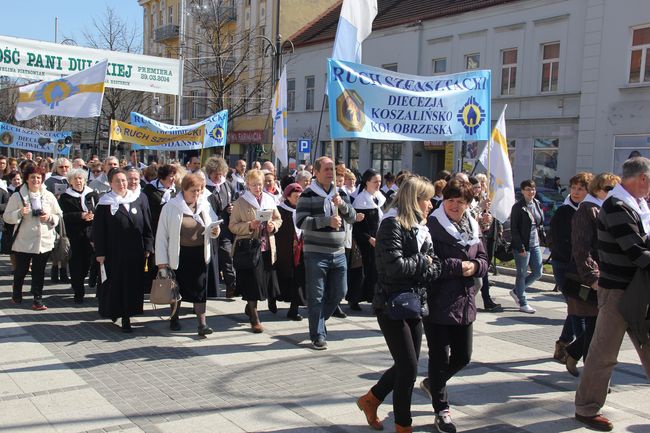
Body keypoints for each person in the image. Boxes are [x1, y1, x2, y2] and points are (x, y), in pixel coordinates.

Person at [357, 176, 441, 433]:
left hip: (415, 303)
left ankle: (370, 399)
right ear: (414, 200)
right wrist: (421, 262)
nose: (430, 204)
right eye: (426, 199)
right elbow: (393, 267)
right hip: (391, 304)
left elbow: (435, 266)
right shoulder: (391, 224)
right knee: (408, 368)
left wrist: (423, 265)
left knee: (408, 364)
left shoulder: (422, 228)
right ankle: (403, 425)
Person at [574, 157, 650, 432]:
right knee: (603, 353)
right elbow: (636, 251)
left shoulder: (639, 205)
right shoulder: (617, 206)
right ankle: (585, 408)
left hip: (641, 290)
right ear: (641, 178)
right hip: (618, 291)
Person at [422, 179, 488, 433]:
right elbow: (430, 262)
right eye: (450, 200)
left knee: (463, 356)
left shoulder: (471, 225)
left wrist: (476, 267)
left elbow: (482, 256)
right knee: (439, 358)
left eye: (461, 201)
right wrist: (459, 266)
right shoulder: (432, 225)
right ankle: (442, 410)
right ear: (443, 200)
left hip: (465, 299)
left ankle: (433, 383)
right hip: (438, 299)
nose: (455, 205)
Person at [296, 156, 357, 349]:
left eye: (332, 169)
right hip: (316, 253)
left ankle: (319, 321)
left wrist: (343, 206)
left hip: (338, 252)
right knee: (316, 296)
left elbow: (353, 217)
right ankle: (317, 335)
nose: (331, 173)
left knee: (341, 291)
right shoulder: (307, 194)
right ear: (316, 172)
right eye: (327, 169)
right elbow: (300, 221)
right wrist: (326, 221)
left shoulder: (339, 194)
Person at [563, 173, 620, 377]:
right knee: (598, 326)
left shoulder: (604, 209)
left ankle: (574, 352)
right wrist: (593, 277)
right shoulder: (587, 210)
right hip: (591, 279)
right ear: (597, 189)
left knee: (600, 327)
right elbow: (581, 249)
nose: (612, 194)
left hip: (607, 276)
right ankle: (593, 376)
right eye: (608, 189)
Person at [156, 173, 221, 336]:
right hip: (178, 255)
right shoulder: (171, 207)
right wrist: (162, 263)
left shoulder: (204, 205)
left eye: (199, 190)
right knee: (176, 289)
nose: (196, 194)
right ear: (183, 189)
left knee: (200, 290)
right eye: (193, 190)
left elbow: (213, 226)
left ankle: (202, 324)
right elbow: (162, 236)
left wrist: (215, 230)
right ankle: (174, 319)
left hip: (199, 254)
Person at [93, 168, 154, 332]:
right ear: (111, 183)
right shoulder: (105, 203)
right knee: (116, 284)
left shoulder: (138, 199)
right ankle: (117, 312)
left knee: (132, 284)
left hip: (135, 251)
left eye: (124, 180)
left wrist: (148, 246)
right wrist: (100, 253)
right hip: (114, 252)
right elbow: (98, 231)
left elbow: (147, 225)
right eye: (118, 181)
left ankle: (128, 314)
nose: (122, 184)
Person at [229, 169, 282, 333]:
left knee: (263, 282)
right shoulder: (240, 202)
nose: (258, 188)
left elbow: (278, 218)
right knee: (253, 283)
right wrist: (249, 226)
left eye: (260, 184)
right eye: (254, 185)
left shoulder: (269, 199)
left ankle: (251, 308)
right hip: (249, 249)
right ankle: (254, 318)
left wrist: (274, 225)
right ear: (248, 185)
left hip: (266, 247)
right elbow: (232, 226)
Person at [3, 164, 62, 310]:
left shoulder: (49, 196)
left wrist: (49, 218)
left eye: (38, 177)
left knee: (39, 272)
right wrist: (19, 213)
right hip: (24, 242)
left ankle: (37, 299)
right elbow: (6, 217)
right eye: (32, 177)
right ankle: (17, 292)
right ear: (27, 180)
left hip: (44, 242)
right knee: (21, 271)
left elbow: (59, 215)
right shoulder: (17, 196)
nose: (36, 180)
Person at [550, 172, 592, 363]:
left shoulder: (590, 209)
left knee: (575, 305)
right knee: (576, 307)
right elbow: (559, 241)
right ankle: (583, 351)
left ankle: (564, 344)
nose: (575, 192)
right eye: (573, 188)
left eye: (580, 189)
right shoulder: (564, 211)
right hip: (564, 266)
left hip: (584, 267)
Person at [59, 168, 99, 303]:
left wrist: (93, 216)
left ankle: (86, 281)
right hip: (74, 235)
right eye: (75, 179)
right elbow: (63, 216)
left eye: (80, 178)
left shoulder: (92, 194)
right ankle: (78, 291)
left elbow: (98, 210)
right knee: (77, 264)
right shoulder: (65, 197)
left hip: (91, 234)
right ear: (70, 182)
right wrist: (80, 215)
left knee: (89, 262)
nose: (78, 181)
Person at [349, 168, 385, 311]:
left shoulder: (380, 197)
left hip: (379, 240)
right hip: (364, 242)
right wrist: (369, 238)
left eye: (380, 181)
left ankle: (374, 298)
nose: (378, 184)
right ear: (366, 182)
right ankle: (355, 299)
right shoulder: (360, 201)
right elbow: (357, 227)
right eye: (375, 181)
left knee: (377, 272)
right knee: (362, 272)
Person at [509, 179, 545, 314]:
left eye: (533, 189)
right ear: (522, 191)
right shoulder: (518, 207)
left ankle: (516, 291)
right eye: (528, 189)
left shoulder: (537, 204)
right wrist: (520, 247)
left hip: (535, 244)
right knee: (521, 273)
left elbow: (539, 224)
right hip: (523, 245)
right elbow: (514, 230)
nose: (531, 192)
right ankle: (522, 302)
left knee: (538, 272)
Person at [205, 156, 237, 298]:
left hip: (225, 228)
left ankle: (232, 285)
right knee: (211, 258)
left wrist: (232, 207)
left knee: (227, 255)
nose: (219, 177)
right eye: (216, 175)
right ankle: (211, 286)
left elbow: (235, 200)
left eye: (221, 174)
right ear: (209, 173)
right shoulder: (204, 186)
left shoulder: (227, 185)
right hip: (210, 228)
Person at [275, 183, 307, 321]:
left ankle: (294, 309)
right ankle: (273, 299)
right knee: (281, 277)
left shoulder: (304, 210)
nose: (298, 199)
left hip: (301, 251)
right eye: (296, 197)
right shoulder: (280, 210)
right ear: (288, 196)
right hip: (284, 252)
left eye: (300, 197)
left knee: (298, 279)